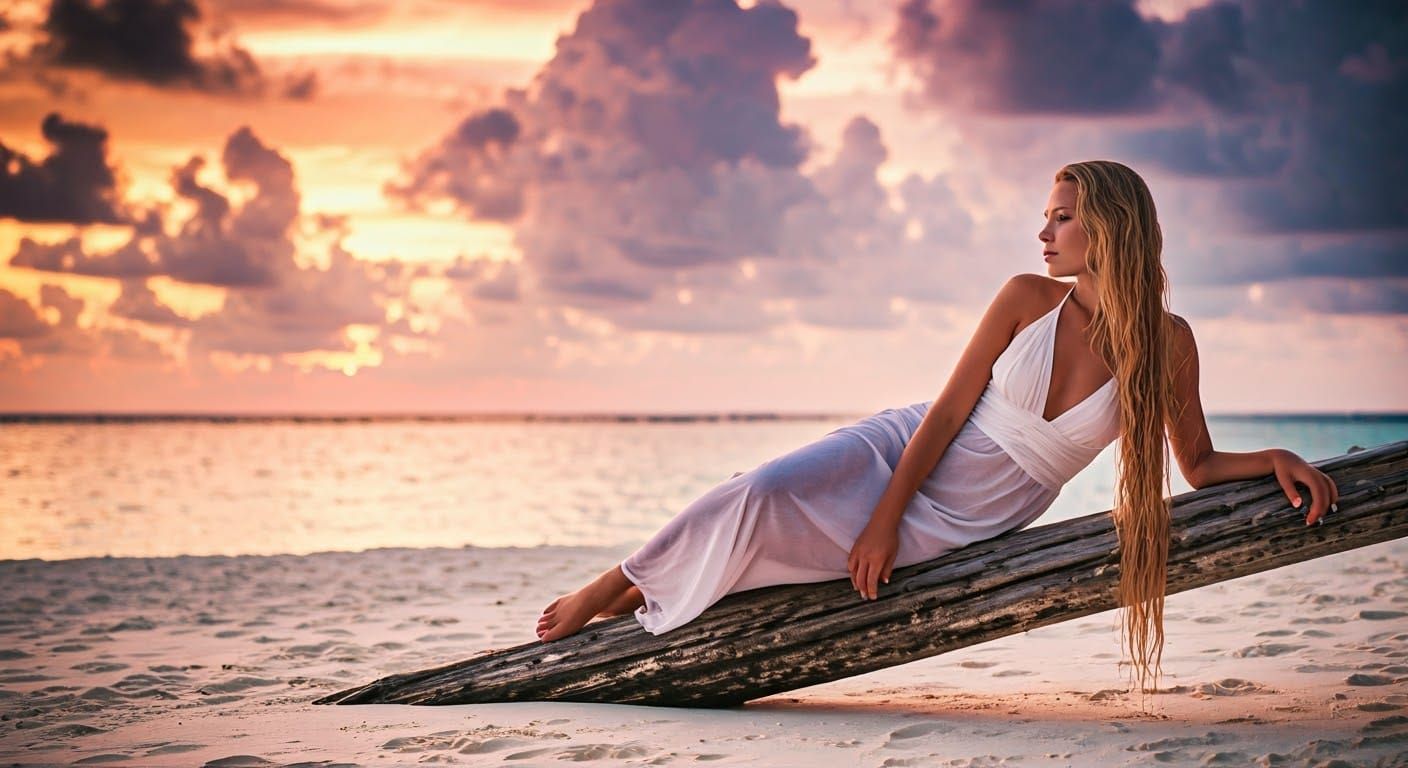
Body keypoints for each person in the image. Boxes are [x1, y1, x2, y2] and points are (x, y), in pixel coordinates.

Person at [534, 160, 1339, 692]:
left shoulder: (1168, 343)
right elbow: (951, 411)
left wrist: (1275, 457)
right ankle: (615, 582)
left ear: (1108, 227)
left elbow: (1194, 464)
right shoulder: (1028, 296)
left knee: (790, 559)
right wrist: (883, 517)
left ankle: (646, 587)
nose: (1044, 233)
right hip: (908, 449)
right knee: (765, 491)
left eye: (1060, 218)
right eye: (1046, 218)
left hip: (974, 513)